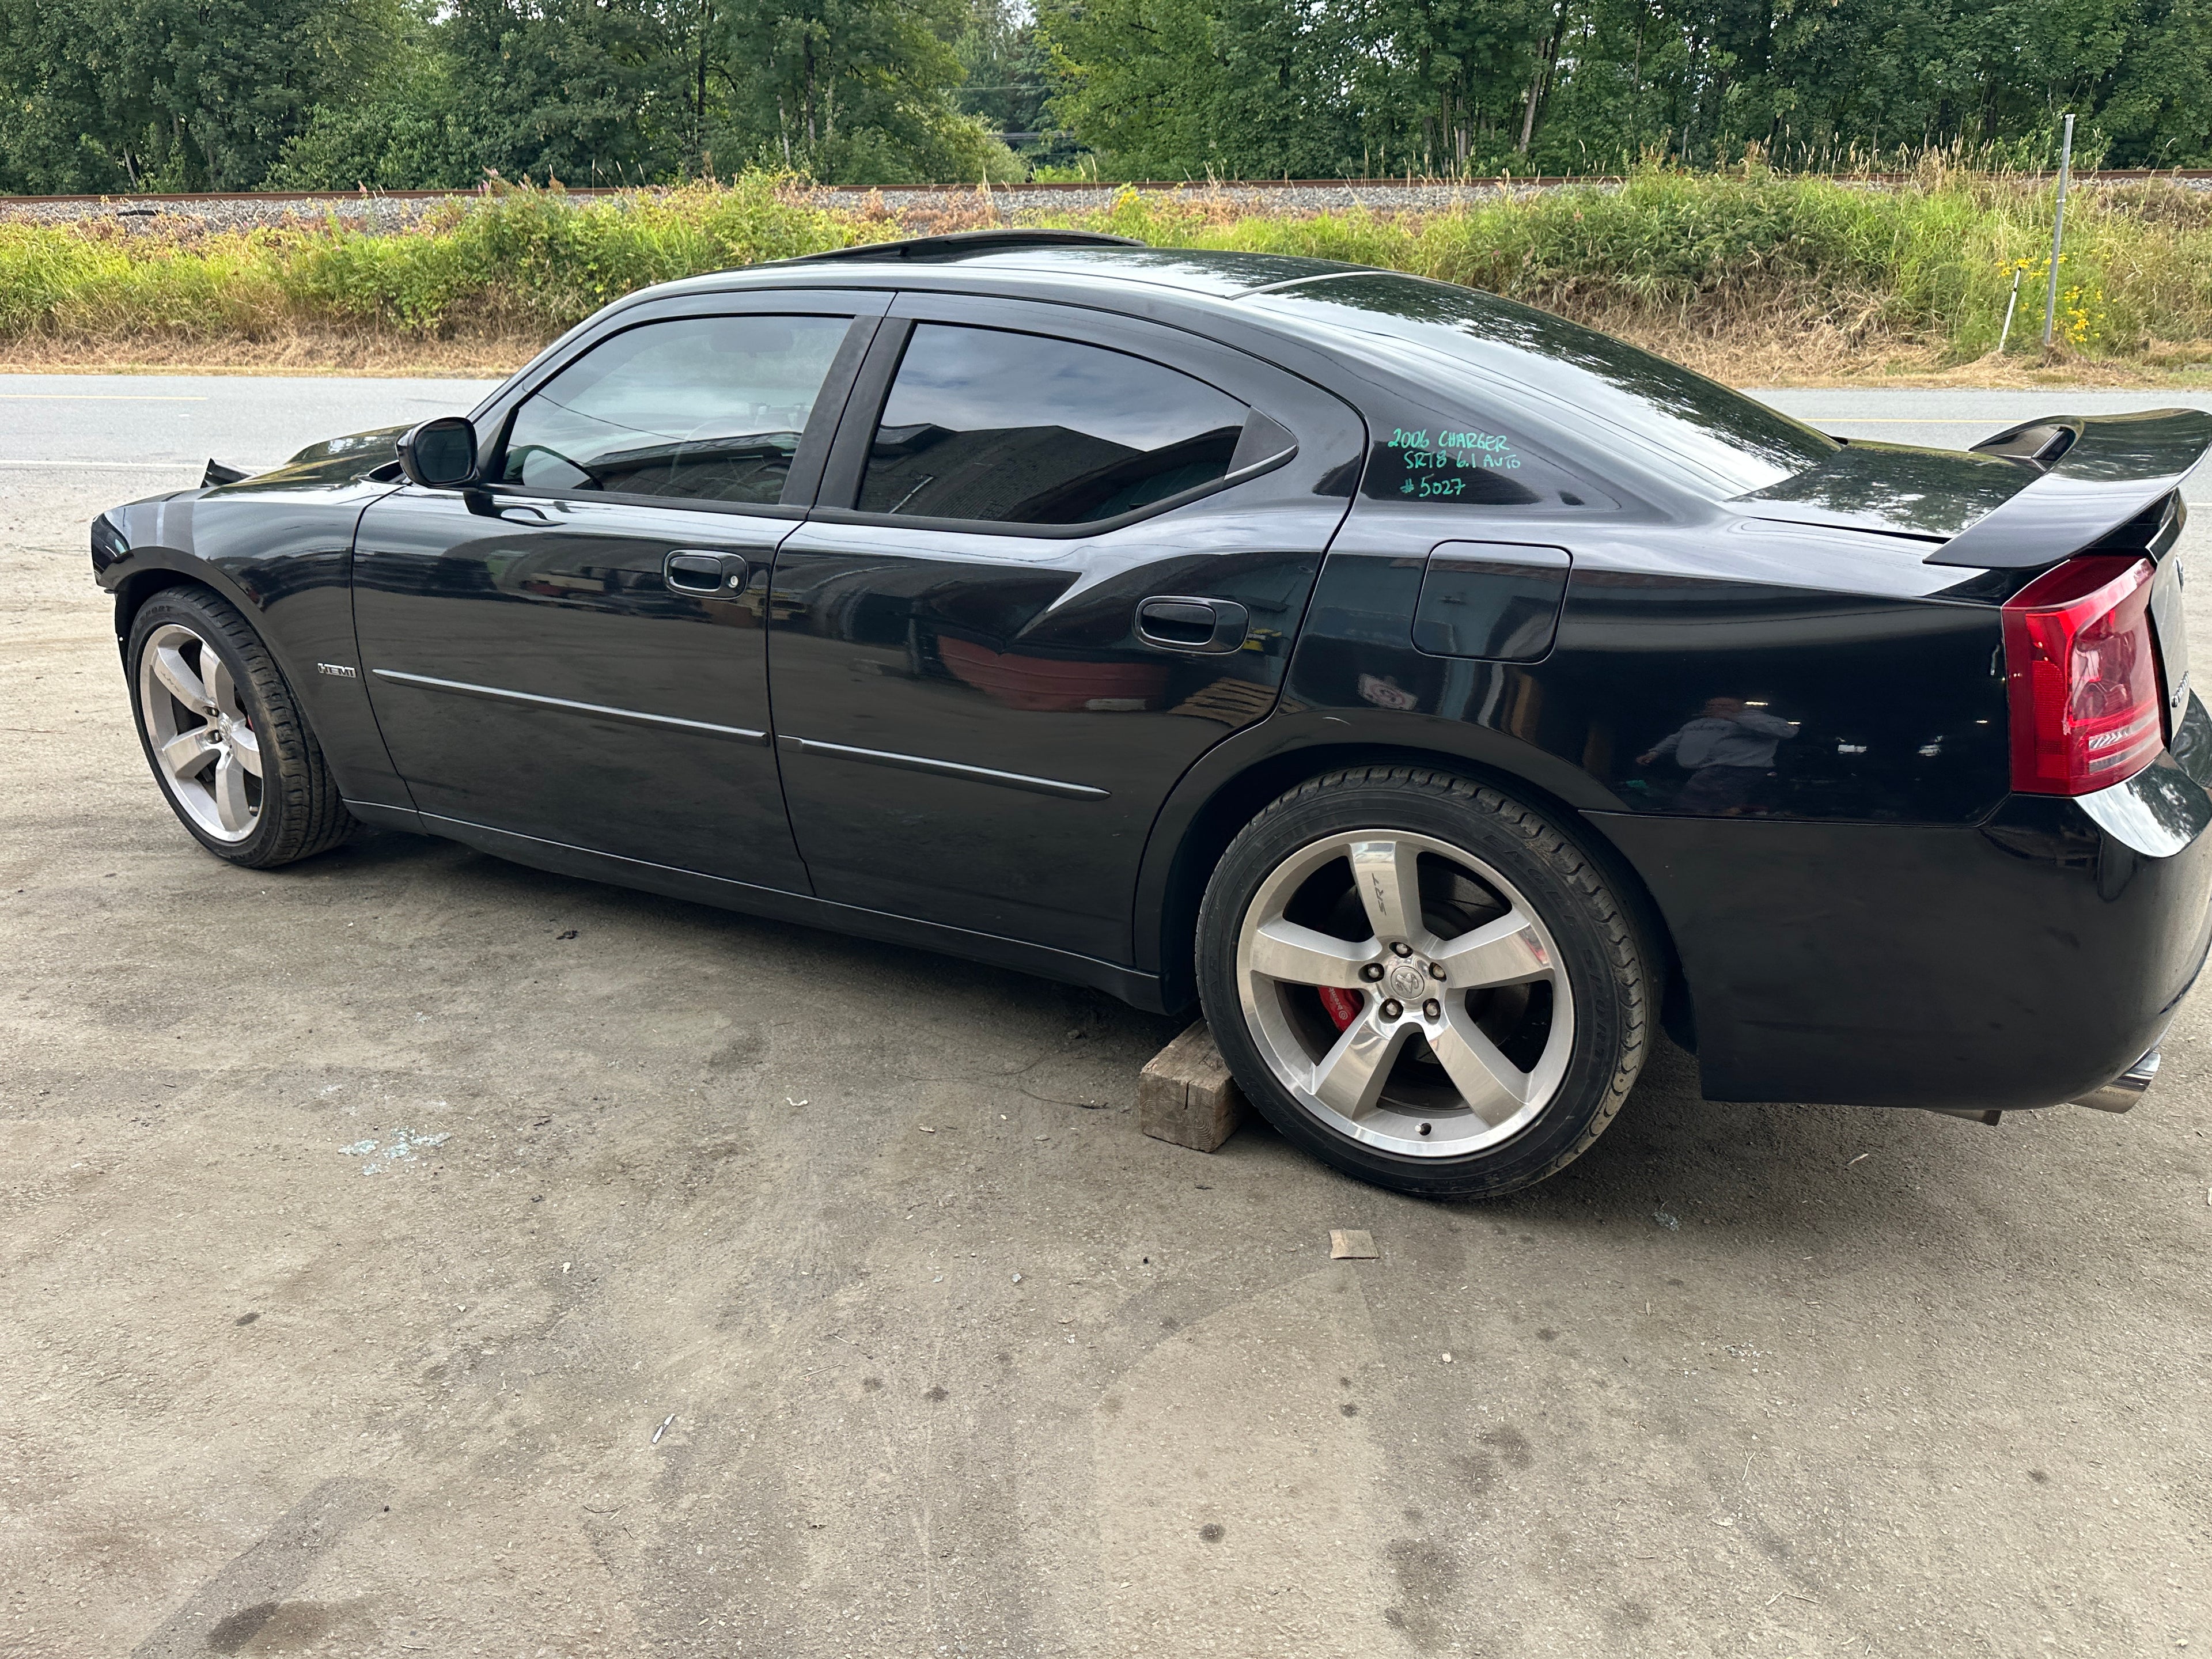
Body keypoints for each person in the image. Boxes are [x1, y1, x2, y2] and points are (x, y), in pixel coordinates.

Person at [1637, 696, 1799, 815]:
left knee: (1690, 806)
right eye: (1713, 705)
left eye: (1724, 705)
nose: (1717, 708)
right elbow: (1676, 739)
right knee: (1715, 806)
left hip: (1736, 769)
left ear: (1740, 706)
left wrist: (1734, 718)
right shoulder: (1697, 723)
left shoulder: (1757, 719)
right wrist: (1655, 752)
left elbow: (1788, 731)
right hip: (1699, 769)